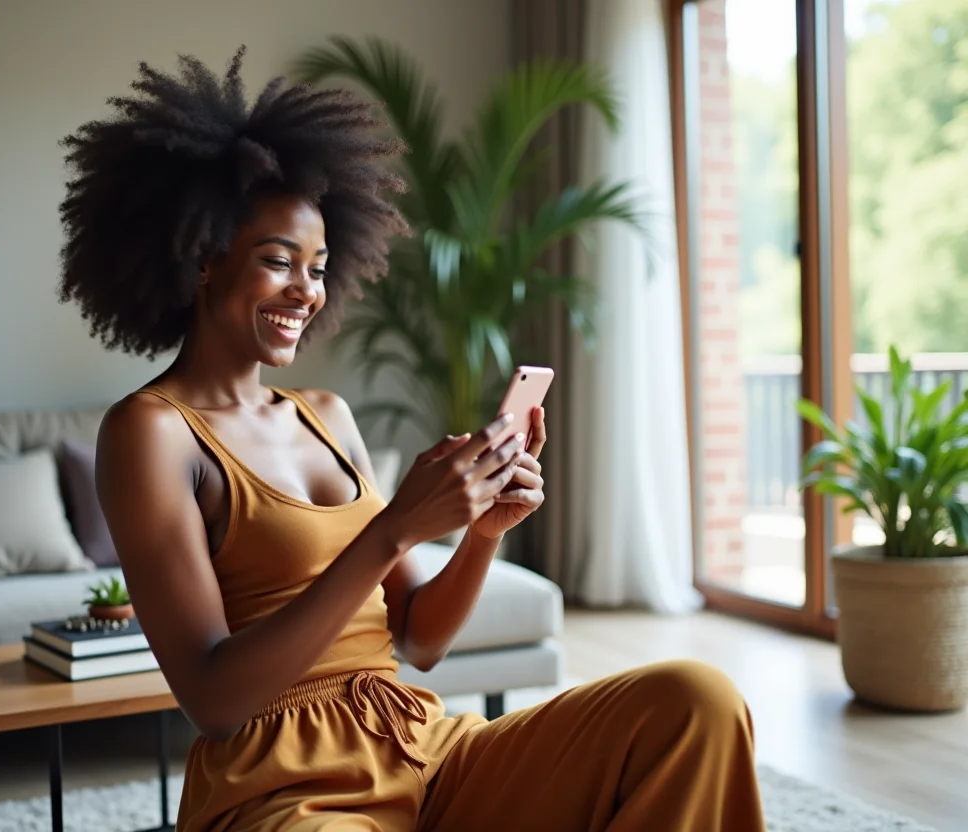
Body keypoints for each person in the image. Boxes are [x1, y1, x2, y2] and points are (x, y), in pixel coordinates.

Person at [58, 47, 766, 832]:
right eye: (277, 261)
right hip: (284, 789)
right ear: (201, 260)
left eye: (319, 267)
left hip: (420, 745)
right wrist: (393, 527)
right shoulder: (149, 432)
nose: (306, 290)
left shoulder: (325, 415)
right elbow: (216, 701)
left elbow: (420, 639)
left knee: (695, 702)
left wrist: (482, 534)